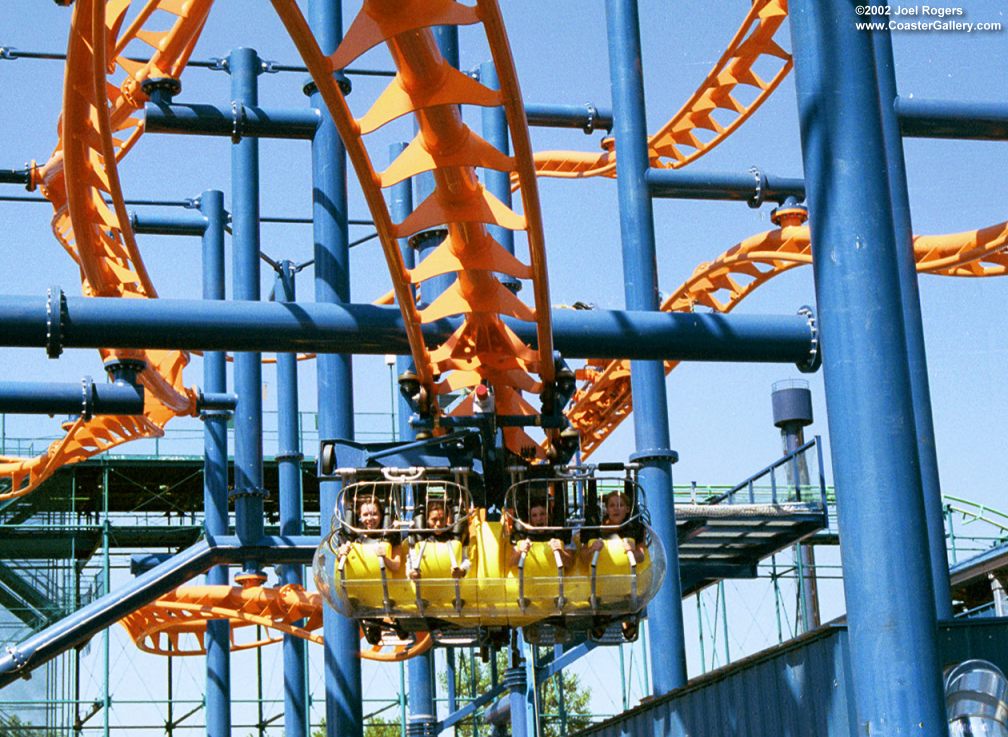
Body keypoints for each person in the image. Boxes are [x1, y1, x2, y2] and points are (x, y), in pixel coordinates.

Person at [408, 500, 470, 579]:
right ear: (426, 519)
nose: (438, 524)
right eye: (434, 520)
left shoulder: (454, 536)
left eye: (442, 519)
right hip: (424, 587)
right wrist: (411, 574)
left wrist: (462, 571)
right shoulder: (419, 538)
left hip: (451, 587)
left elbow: (465, 559)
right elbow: (411, 561)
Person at [338, 496, 401, 572]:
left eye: (374, 514)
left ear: (381, 516)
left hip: (383, 581)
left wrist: (384, 558)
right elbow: (339, 563)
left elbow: (396, 566)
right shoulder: (352, 538)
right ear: (360, 516)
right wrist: (340, 554)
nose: (370, 518)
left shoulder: (391, 537)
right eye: (365, 514)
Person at [582, 491, 645, 564]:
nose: (616, 509)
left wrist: (633, 551)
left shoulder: (635, 529)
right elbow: (583, 559)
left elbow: (641, 557)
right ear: (607, 510)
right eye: (612, 506)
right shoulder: (596, 529)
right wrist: (591, 549)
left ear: (627, 509)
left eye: (620, 505)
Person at [511, 500, 574, 568]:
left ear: (549, 516)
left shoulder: (561, 536)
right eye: (534, 515)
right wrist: (520, 551)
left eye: (542, 514)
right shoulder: (522, 538)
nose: (539, 518)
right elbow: (511, 563)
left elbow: (571, 564)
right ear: (530, 520)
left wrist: (560, 551)